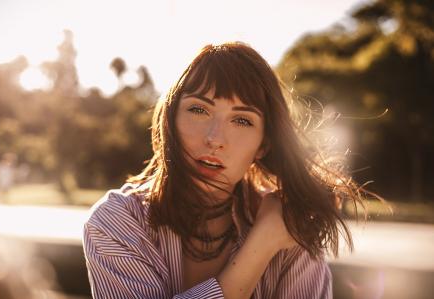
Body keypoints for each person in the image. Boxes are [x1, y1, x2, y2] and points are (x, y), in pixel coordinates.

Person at [83, 42, 362, 299]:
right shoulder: (115, 222)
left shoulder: (289, 224)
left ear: (263, 144)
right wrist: (261, 247)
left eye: (241, 120)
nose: (215, 139)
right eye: (198, 110)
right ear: (170, 119)